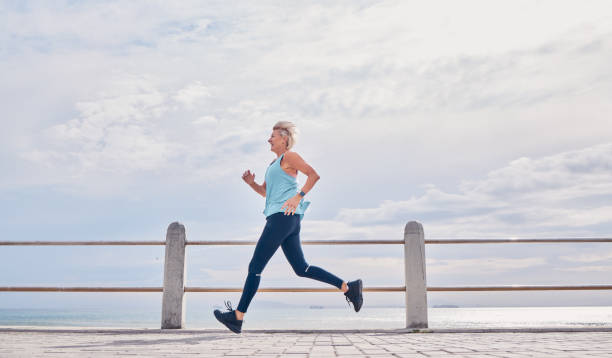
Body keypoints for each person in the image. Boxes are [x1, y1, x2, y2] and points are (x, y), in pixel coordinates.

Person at [213, 121, 363, 334]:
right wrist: (250, 184)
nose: (269, 139)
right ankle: (349, 287)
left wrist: (298, 197)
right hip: (285, 219)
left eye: (272, 136)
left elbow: (313, 175)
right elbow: (266, 193)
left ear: (284, 139)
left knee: (255, 267)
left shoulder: (289, 157)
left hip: (283, 217)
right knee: (301, 268)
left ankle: (237, 317)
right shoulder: (273, 164)